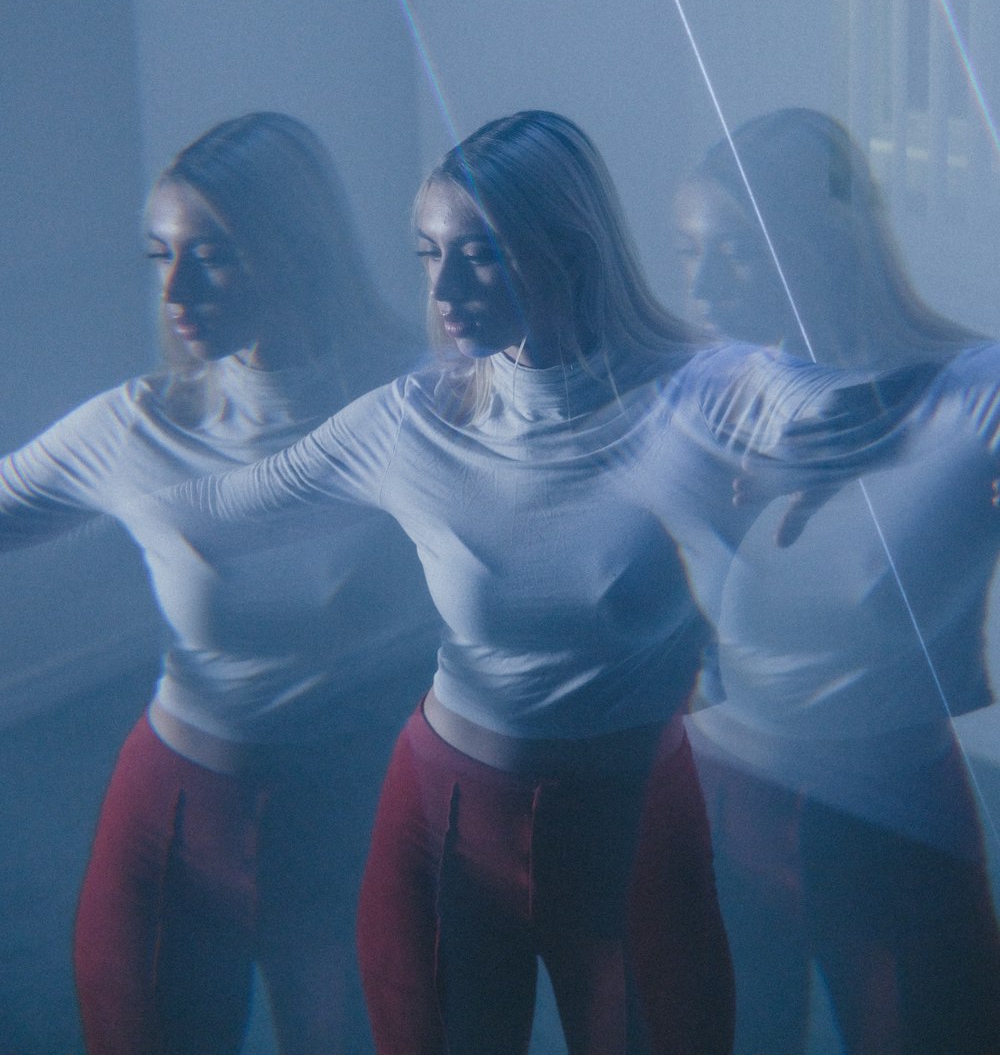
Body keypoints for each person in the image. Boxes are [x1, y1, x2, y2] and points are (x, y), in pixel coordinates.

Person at [132, 108, 934, 1055]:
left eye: (483, 252)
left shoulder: (699, 388)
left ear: (568, 247)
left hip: (632, 820)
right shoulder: (413, 417)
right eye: (431, 255)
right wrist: (139, 448)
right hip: (440, 820)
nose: (448, 287)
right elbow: (227, 502)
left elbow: (837, 404)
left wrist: (902, 426)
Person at [0, 112, 439, 1055]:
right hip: (175, 811)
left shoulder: (420, 402)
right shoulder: (139, 428)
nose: (177, 290)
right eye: (160, 254)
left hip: (347, 817)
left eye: (215, 255)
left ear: (295, 249)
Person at [674, 107, 1000, 1055]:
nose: (697, 281)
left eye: (733, 249)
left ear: (821, 241)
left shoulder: (971, 394)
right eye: (687, 247)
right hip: (722, 802)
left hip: (888, 818)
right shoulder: (705, 397)